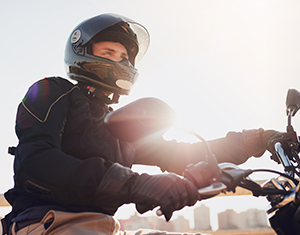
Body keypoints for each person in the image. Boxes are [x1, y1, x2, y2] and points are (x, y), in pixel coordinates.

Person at [1, 13, 278, 235]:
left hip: (105, 226)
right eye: (109, 53)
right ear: (82, 53)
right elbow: (35, 162)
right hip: (48, 222)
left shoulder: (118, 123)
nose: (118, 62)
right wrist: (136, 184)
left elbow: (180, 153)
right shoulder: (52, 91)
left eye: (123, 57)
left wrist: (256, 139)